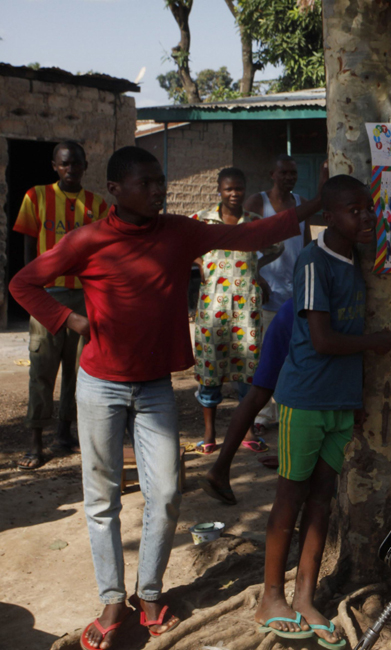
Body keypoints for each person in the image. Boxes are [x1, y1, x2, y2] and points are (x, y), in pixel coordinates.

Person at [9, 146, 322, 650]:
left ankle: (149, 592)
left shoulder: (180, 231)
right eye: (148, 183)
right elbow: (25, 282)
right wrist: (69, 320)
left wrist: (311, 207)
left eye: (161, 181)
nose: (159, 190)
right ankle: (113, 599)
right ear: (115, 189)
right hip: (99, 385)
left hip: (154, 386)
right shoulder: (88, 239)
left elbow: (248, 234)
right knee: (102, 496)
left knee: (169, 493)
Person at [253, 175, 391, 647]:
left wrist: (353, 400)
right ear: (328, 217)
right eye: (355, 210)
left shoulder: (355, 258)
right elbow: (322, 339)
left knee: (321, 502)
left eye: (369, 209)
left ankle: (305, 596)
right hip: (306, 398)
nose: (367, 217)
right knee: (290, 498)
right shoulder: (314, 262)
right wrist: (375, 344)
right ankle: (271, 596)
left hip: (339, 402)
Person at [12, 141, 108, 470]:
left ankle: (65, 434)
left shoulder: (98, 205)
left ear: (85, 165)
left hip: (84, 298)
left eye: (77, 164)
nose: (71, 170)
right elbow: (27, 244)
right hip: (48, 296)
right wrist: (31, 289)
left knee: (78, 370)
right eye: (65, 164)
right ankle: (35, 442)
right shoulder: (35, 197)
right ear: (54, 165)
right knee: (42, 369)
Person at [191, 167, 279, 454]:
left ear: (244, 189)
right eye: (228, 188)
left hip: (246, 311)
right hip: (211, 312)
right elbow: (181, 243)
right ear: (219, 189)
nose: (233, 193)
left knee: (248, 371)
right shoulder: (203, 220)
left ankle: (248, 431)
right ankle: (209, 434)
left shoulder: (254, 223)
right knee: (209, 370)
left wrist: (257, 270)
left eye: (238, 188)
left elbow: (276, 247)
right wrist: (199, 262)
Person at [201, 297, 296, 505]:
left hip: (292, 311)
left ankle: (220, 468)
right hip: (304, 316)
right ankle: (220, 469)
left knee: (257, 394)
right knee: (267, 394)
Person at [245, 154, 311, 432]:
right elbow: (245, 243)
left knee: (293, 353)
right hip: (266, 291)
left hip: (294, 291)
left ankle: (287, 409)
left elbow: (306, 244)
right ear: (272, 174)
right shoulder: (257, 202)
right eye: (283, 173)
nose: (288, 178)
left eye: (292, 174)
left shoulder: (301, 203)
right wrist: (257, 277)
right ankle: (261, 417)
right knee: (265, 354)